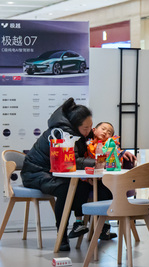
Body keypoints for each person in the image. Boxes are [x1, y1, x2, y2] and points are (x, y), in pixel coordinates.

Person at [21, 98, 115, 251]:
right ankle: (62, 236)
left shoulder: (77, 133)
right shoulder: (60, 134)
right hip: (35, 173)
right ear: (75, 125)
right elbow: (72, 160)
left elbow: (93, 149)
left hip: (53, 172)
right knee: (65, 189)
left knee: (82, 185)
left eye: (91, 126)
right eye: (86, 127)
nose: (90, 130)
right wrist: (94, 163)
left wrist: (123, 154)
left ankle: (80, 225)